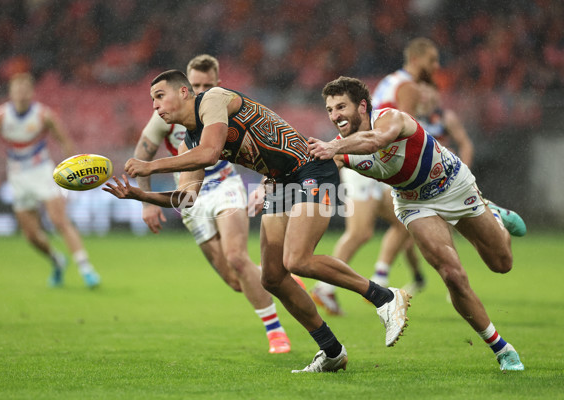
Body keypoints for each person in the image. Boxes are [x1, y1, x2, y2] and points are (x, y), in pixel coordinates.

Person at [103, 70, 412, 373]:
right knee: (273, 277)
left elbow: (211, 154)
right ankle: (331, 351)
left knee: (298, 260)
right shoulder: (188, 142)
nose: (155, 106)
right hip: (278, 181)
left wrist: (151, 166)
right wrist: (137, 195)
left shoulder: (211, 100)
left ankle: (384, 296)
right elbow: (188, 199)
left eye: (159, 96)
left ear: (183, 92)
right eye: (152, 100)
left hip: (310, 168)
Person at [308, 76, 526, 371]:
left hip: (453, 185)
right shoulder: (339, 149)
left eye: (341, 107)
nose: (335, 116)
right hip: (414, 203)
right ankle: (502, 349)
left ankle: (495, 215)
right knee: (451, 275)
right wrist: (276, 182)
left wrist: (333, 149)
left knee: (502, 263)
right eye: (330, 110)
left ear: (362, 106)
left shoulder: (390, 118)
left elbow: (377, 141)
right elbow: (310, 173)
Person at [133, 54, 293, 354]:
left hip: (224, 184)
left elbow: (256, 145)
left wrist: (264, 182)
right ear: (184, 87)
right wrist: (147, 203)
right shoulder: (163, 118)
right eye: (195, 84)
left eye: (207, 85)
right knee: (235, 281)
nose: (200, 90)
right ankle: (275, 273)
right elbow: (143, 153)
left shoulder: (218, 107)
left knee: (236, 256)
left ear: (217, 84)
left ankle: (276, 332)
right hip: (191, 195)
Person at [310, 38, 439, 313]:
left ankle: (378, 278)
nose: (436, 66)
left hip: (370, 157)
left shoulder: (392, 80)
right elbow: (408, 129)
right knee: (361, 231)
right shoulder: (408, 87)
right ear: (416, 60)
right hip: (368, 157)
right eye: (432, 60)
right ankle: (328, 285)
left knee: (403, 223)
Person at [0, 72, 101, 288]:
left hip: (42, 171)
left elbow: (65, 143)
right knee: (31, 236)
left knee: (59, 220)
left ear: (31, 92)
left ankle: (86, 269)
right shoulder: (0, 116)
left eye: (25, 89)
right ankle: (57, 261)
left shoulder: (44, 115)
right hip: (17, 177)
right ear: (10, 92)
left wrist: (70, 176)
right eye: (17, 89)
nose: (21, 94)